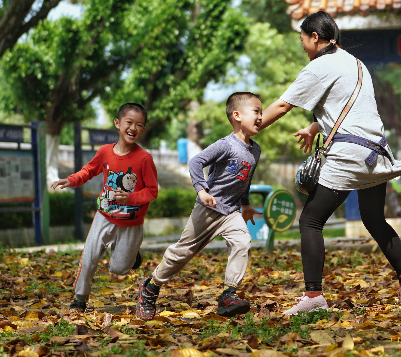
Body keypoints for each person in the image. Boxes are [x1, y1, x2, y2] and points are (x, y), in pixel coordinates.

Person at [259, 10, 401, 315]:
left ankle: (313, 296)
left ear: (314, 37)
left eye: (303, 39)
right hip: (375, 154)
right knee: (374, 220)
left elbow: (283, 105)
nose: (302, 45)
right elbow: (348, 106)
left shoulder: (319, 66)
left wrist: (251, 127)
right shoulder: (355, 63)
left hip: (347, 157)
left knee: (310, 220)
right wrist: (314, 127)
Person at [135, 92, 263, 320]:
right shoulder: (226, 145)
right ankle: (151, 287)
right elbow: (196, 162)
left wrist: (245, 205)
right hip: (208, 209)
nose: (261, 117)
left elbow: (246, 180)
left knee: (242, 242)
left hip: (231, 211)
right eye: (256, 111)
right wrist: (202, 191)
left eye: (262, 112)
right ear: (237, 115)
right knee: (182, 253)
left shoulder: (255, 150)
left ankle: (228, 295)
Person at [51, 103, 158, 312]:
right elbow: (88, 171)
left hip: (131, 222)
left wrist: (132, 198)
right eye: (129, 122)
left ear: (143, 130)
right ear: (118, 123)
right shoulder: (104, 152)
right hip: (105, 215)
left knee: (118, 268)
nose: (133, 128)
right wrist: (70, 181)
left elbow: (152, 191)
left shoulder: (144, 158)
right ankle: (79, 299)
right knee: (89, 257)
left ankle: (132, 255)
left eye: (139, 125)